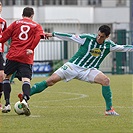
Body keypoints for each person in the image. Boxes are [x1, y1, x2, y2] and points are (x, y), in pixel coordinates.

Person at [19, 25, 133, 116]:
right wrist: (53, 34)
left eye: (102, 36)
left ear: (107, 37)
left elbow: (124, 48)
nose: (99, 38)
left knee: (106, 80)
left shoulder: (109, 45)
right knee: (50, 81)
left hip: (89, 70)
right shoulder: (88, 38)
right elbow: (70, 36)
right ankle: (25, 95)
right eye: (98, 35)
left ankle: (109, 110)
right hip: (72, 66)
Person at [0, 7, 45, 116]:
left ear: (22, 14)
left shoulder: (16, 23)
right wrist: (32, 48)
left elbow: (4, 37)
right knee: (26, 80)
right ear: (32, 15)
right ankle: (25, 100)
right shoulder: (36, 25)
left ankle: (7, 104)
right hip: (26, 56)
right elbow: (39, 36)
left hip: (13, 55)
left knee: (7, 77)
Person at [0, 1, 10, 110]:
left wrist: (10, 45)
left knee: (1, 75)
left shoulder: (3, 22)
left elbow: (5, 36)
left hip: (0, 52)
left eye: (0, 5)